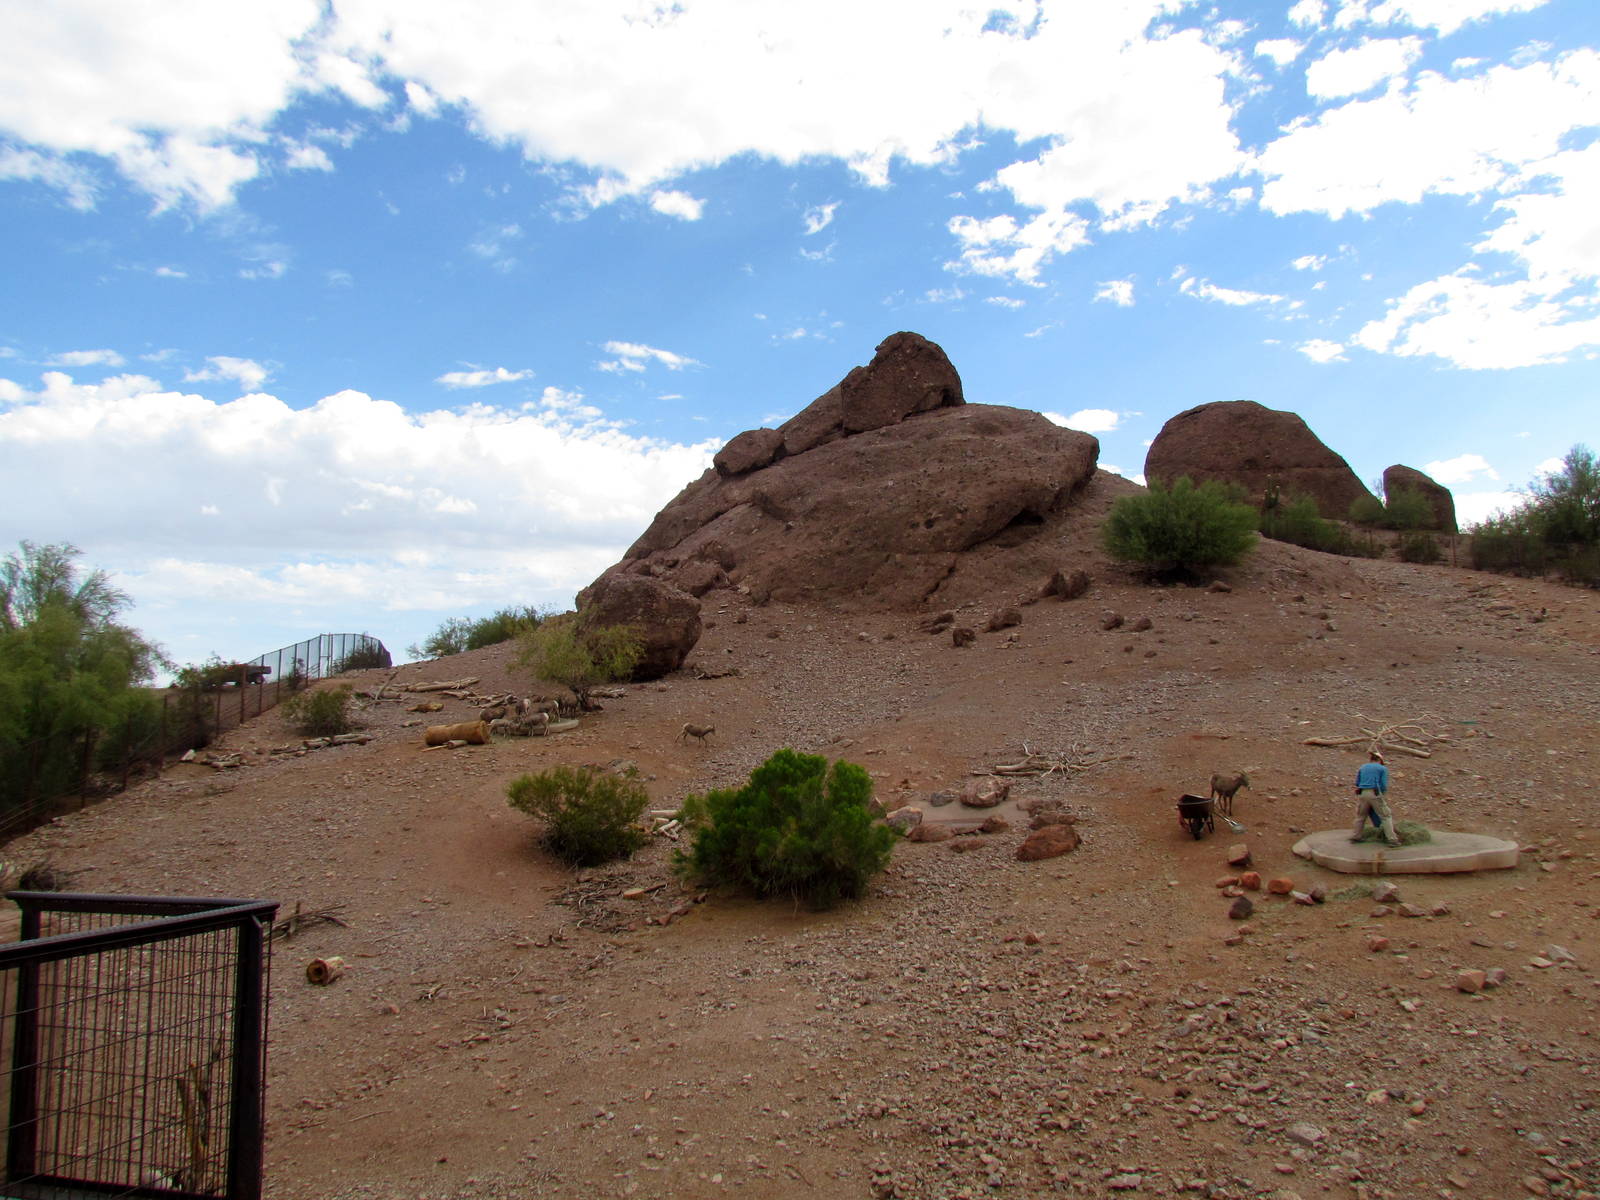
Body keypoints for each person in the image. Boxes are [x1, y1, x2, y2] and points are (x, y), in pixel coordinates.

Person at [1351, 750, 1400, 846]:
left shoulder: (1362, 767)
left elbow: (1357, 782)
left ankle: (1356, 837)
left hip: (1362, 794)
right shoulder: (1382, 768)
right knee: (1386, 816)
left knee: (1361, 816)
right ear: (1379, 760)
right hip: (1374, 793)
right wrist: (1382, 795)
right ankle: (1392, 840)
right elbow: (1383, 785)